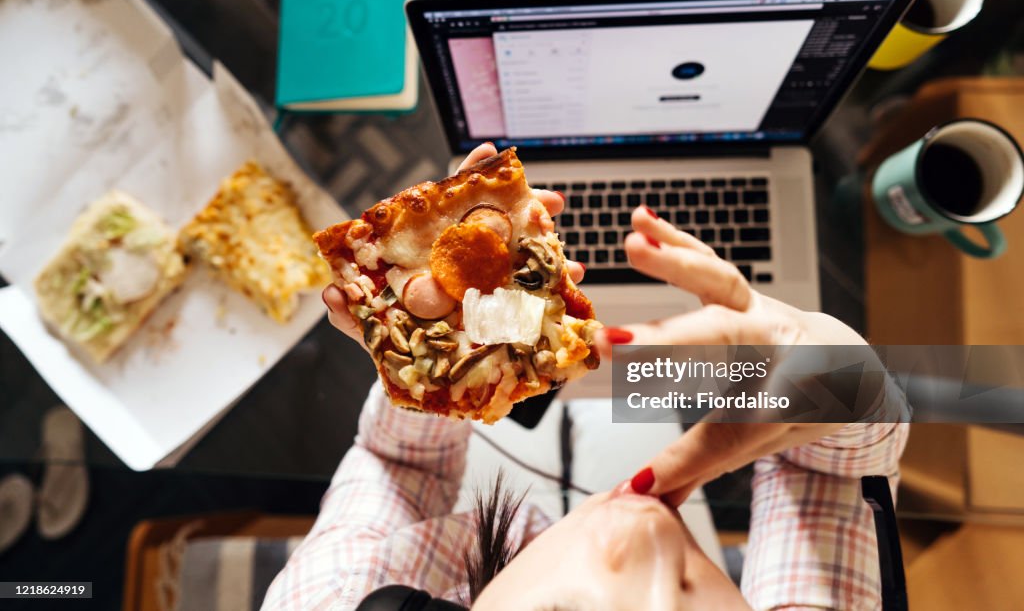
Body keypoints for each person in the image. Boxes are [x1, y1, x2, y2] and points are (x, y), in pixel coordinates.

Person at [263, 144, 907, 610]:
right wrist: (834, 370)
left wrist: (430, 367)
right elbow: (831, 474)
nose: (653, 545)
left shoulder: (330, 596)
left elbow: (397, 467)